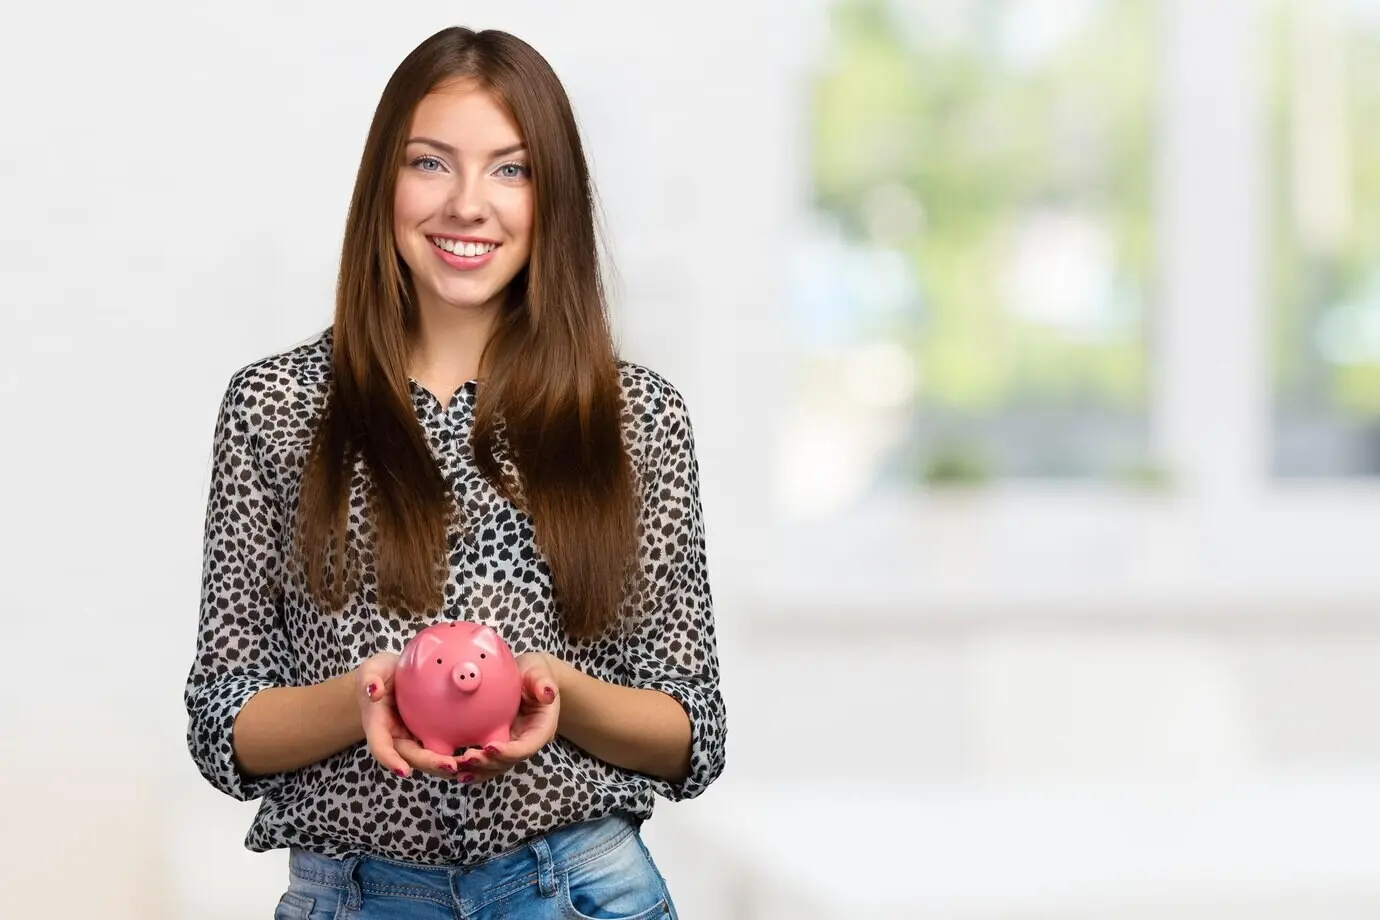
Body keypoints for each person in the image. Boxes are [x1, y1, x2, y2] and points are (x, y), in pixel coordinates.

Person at [183, 26, 726, 920]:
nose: (469, 204)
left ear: (554, 197)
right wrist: (372, 692)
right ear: (382, 185)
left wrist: (552, 687)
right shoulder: (275, 407)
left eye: (511, 170)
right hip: (358, 899)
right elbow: (222, 726)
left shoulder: (634, 418)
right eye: (431, 164)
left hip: (583, 891)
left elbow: (691, 734)